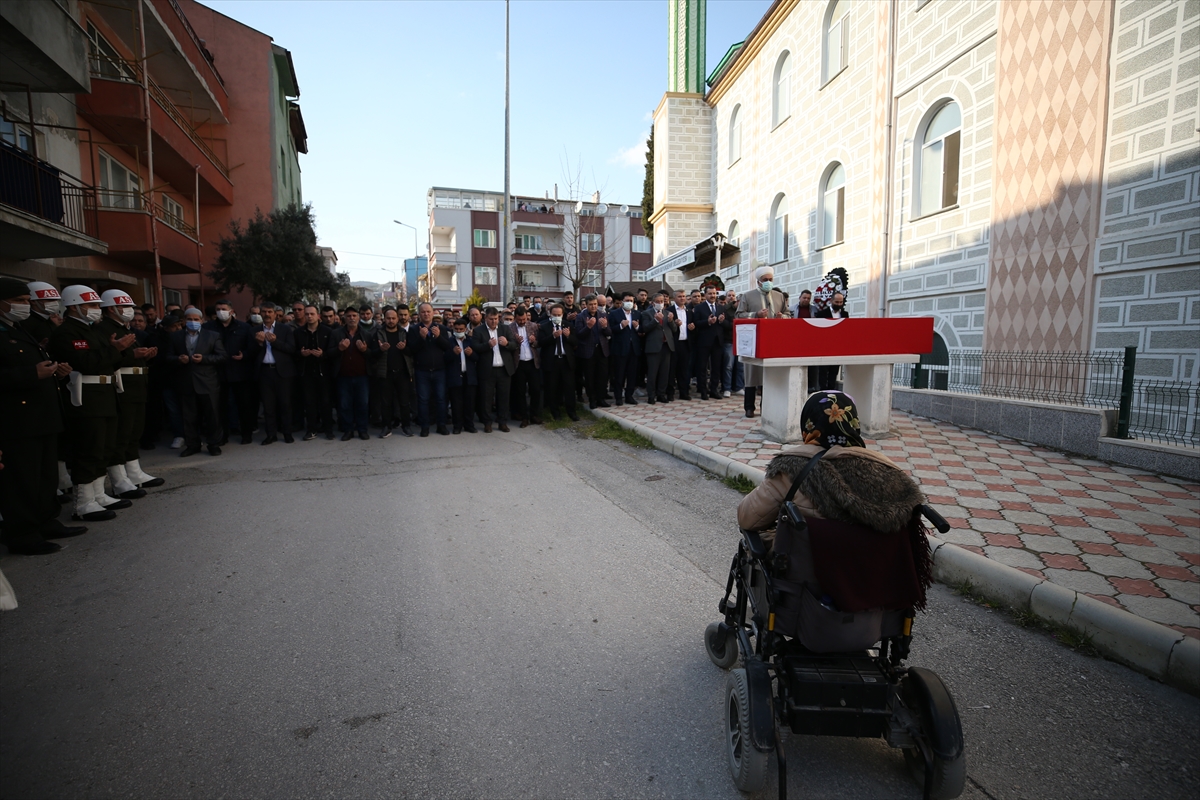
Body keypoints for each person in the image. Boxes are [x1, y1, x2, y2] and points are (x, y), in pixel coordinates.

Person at [735, 391, 932, 615]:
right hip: (874, 585)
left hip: (809, 590)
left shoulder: (792, 467)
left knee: (760, 541)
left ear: (808, 426)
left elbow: (747, 517)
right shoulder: (891, 473)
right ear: (854, 424)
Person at [0, 277, 86, 555]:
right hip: (18, 421)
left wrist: (54, 371)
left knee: (44, 475)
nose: (26, 306)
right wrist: (31, 374)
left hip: (42, 416)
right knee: (22, 480)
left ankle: (46, 521)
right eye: (21, 302)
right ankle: (23, 534)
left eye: (27, 301)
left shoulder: (18, 328)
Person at [47, 285, 131, 521]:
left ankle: (97, 494)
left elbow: (106, 362)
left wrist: (116, 351)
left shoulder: (92, 330)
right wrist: (117, 350)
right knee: (89, 448)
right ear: (74, 306)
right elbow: (87, 362)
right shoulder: (67, 332)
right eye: (92, 305)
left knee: (104, 447)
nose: (97, 310)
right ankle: (83, 502)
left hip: (104, 394)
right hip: (86, 396)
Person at [96, 290, 159, 496]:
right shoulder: (104, 329)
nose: (130, 311)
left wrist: (144, 356)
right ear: (110, 309)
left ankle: (134, 472)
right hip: (122, 386)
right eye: (125, 307)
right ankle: (119, 479)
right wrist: (131, 354)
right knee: (122, 433)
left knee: (134, 431)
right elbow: (105, 358)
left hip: (136, 385)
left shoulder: (124, 328)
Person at [168, 308, 226, 456]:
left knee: (212, 414)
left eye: (196, 319)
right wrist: (178, 360)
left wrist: (204, 359)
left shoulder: (212, 336)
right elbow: (167, 357)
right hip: (186, 382)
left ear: (201, 321)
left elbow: (222, 357)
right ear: (184, 321)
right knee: (189, 416)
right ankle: (192, 444)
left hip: (207, 382)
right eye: (189, 319)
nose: (192, 322)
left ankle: (213, 444)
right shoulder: (176, 337)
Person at [735, 266, 788, 418]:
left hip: (773, 342)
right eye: (765, 280)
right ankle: (749, 408)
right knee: (752, 374)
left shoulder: (779, 296)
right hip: (753, 342)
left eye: (770, 280)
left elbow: (788, 314)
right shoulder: (748, 296)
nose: (768, 282)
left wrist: (781, 317)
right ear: (758, 281)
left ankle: (767, 407)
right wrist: (755, 314)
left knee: (769, 375)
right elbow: (739, 315)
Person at [203, 300, 255, 445]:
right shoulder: (209, 328)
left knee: (244, 405)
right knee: (221, 407)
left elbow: (252, 349)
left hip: (240, 372)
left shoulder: (244, 327)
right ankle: (222, 436)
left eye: (223, 309)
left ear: (231, 311)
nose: (221, 311)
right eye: (218, 309)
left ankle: (246, 434)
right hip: (218, 372)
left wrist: (244, 355)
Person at [327, 307, 374, 441]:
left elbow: (373, 356)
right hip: (343, 376)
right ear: (344, 318)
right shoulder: (336, 334)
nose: (352, 318)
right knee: (344, 404)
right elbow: (329, 353)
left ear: (358, 317)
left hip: (362, 376)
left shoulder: (366, 335)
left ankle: (362, 430)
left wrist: (365, 350)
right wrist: (339, 349)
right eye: (349, 316)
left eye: (354, 315)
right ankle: (348, 430)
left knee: (363, 404)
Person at [254, 303, 297, 444]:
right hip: (264, 372)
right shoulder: (254, 330)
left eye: (270, 312)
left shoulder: (285, 329)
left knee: (285, 404)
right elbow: (250, 353)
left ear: (275, 314)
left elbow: (291, 349)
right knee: (268, 406)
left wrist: (275, 341)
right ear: (260, 313)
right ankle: (271, 434)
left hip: (282, 372)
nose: (267, 314)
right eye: (264, 311)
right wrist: (259, 344)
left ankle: (287, 433)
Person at [409, 302, 452, 437]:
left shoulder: (442, 328)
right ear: (419, 314)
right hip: (422, 371)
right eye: (423, 312)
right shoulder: (414, 329)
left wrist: (439, 337)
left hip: (439, 370)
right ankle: (424, 426)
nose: (426, 314)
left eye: (428, 311)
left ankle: (441, 425)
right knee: (423, 400)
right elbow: (411, 350)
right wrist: (421, 338)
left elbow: (447, 348)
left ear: (433, 313)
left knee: (441, 399)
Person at [472, 306, 518, 432]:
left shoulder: (505, 328)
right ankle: (487, 422)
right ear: (485, 318)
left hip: (504, 369)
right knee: (486, 398)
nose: (494, 321)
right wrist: (487, 345)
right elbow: (475, 347)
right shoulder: (479, 331)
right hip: (487, 370)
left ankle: (502, 422)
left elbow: (514, 344)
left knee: (503, 397)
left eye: (496, 319)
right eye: (491, 319)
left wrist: (507, 344)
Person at [295, 304, 334, 440]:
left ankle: (328, 429)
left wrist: (323, 354)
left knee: (326, 402)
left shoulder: (327, 331)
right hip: (306, 373)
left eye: (312, 314)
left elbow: (333, 352)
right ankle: (311, 429)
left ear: (318, 315)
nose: (309, 317)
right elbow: (293, 352)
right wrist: (301, 354)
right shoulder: (298, 332)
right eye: (307, 314)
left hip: (324, 373)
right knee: (309, 402)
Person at [537, 303, 578, 421]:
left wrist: (569, 336)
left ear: (562, 314)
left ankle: (572, 412)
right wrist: (552, 336)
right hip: (552, 361)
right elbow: (540, 343)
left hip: (566, 361)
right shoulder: (544, 326)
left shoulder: (568, 325)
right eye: (554, 314)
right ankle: (555, 412)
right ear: (550, 314)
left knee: (569, 388)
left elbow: (576, 342)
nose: (556, 317)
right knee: (552, 388)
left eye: (559, 315)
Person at [377, 307, 413, 437]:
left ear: (397, 319)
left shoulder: (404, 333)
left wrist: (404, 349)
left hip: (402, 372)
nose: (391, 321)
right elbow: (371, 355)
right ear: (384, 319)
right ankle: (387, 427)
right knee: (386, 402)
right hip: (385, 373)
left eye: (393, 318)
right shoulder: (378, 333)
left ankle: (406, 426)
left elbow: (411, 352)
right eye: (388, 318)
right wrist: (380, 349)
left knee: (404, 402)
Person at [573, 294, 611, 409]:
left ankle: (601, 399)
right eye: (591, 304)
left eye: (595, 304)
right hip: (587, 351)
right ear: (587, 305)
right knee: (590, 378)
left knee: (602, 376)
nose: (594, 306)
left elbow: (609, 333)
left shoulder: (603, 315)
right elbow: (579, 335)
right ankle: (592, 400)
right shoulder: (580, 317)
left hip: (601, 350)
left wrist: (605, 327)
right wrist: (588, 327)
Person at [640, 290, 677, 404]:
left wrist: (671, 321)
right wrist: (656, 320)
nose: (660, 303)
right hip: (653, 347)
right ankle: (651, 395)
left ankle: (661, 394)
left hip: (666, 346)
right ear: (652, 303)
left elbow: (674, 329)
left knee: (664, 373)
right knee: (652, 373)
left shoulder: (667, 313)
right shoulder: (646, 313)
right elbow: (644, 328)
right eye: (658, 301)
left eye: (662, 301)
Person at [509, 305, 542, 427]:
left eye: (524, 319)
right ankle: (524, 417)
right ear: (515, 318)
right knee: (520, 391)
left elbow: (539, 344)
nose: (522, 322)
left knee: (535, 390)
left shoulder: (533, 326)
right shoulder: (510, 328)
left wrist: (534, 341)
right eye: (519, 320)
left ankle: (534, 415)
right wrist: (515, 343)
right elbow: (508, 347)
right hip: (519, 364)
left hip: (533, 363)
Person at [445, 317, 478, 433]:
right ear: (453, 329)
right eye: (457, 329)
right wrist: (453, 353)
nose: (459, 331)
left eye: (461, 329)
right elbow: (444, 359)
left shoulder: (471, 341)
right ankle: (457, 426)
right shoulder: (449, 342)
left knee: (469, 402)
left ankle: (469, 425)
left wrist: (472, 354)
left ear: (465, 329)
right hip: (455, 376)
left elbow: (478, 358)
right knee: (456, 403)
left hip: (469, 376)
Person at [607, 292, 641, 405]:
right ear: (622, 301)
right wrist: (621, 326)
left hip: (633, 348)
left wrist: (637, 327)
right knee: (619, 374)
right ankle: (618, 397)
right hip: (620, 348)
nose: (629, 303)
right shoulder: (614, 313)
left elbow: (640, 331)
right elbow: (610, 330)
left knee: (632, 374)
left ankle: (629, 396)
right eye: (627, 300)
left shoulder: (637, 313)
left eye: (631, 301)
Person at [692, 286, 724, 400]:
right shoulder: (699, 308)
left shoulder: (720, 307)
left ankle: (714, 390)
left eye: (714, 293)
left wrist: (721, 321)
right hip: (704, 341)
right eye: (710, 294)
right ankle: (703, 391)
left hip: (717, 341)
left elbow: (725, 324)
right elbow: (696, 323)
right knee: (702, 367)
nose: (712, 296)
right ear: (705, 295)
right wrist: (708, 322)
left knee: (716, 367)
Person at [815, 292, 850, 390]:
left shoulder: (844, 314)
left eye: (841, 302)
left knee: (834, 371)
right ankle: (822, 390)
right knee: (823, 370)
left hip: (837, 346)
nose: (839, 304)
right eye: (837, 302)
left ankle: (832, 390)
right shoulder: (822, 314)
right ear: (831, 301)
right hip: (824, 346)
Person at [668, 289, 693, 401]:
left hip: (686, 343)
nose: (682, 298)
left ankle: (684, 392)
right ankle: (670, 393)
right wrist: (673, 323)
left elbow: (692, 325)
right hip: (674, 344)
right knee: (671, 370)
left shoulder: (689, 311)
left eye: (683, 296)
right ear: (674, 299)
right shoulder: (669, 311)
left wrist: (693, 327)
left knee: (684, 370)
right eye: (679, 296)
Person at [721, 289, 744, 397]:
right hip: (729, 341)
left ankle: (739, 387)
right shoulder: (725, 309)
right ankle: (727, 388)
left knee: (740, 366)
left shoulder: (744, 311)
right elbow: (724, 323)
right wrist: (735, 324)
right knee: (728, 366)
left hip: (741, 341)